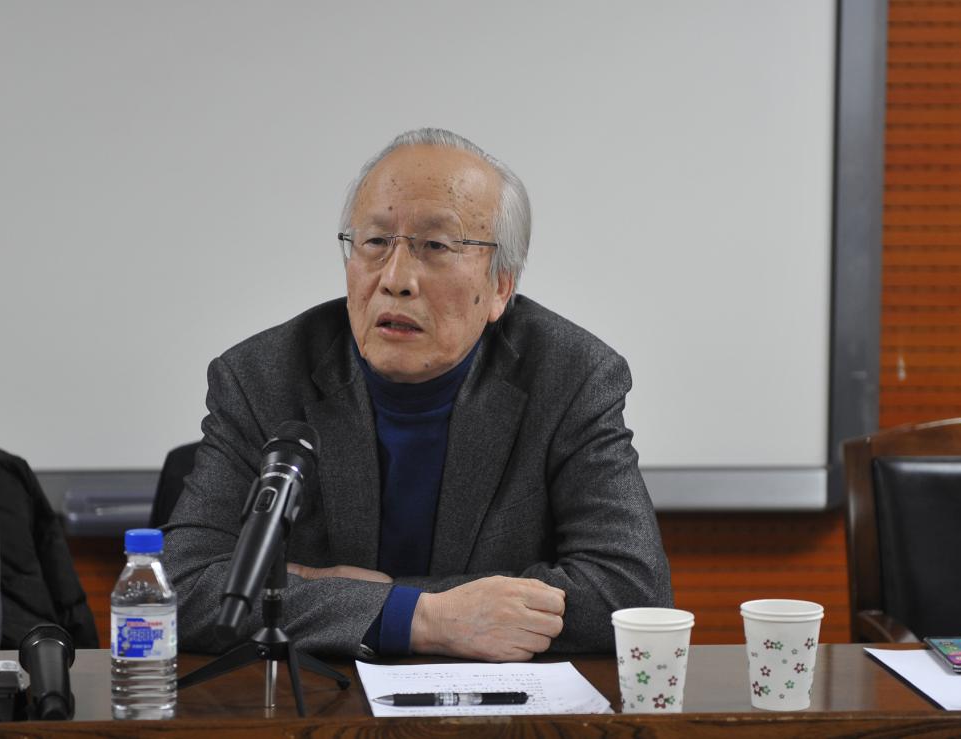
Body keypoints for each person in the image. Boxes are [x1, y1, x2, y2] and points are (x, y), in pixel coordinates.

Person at [163, 128, 671, 661]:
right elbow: (181, 587)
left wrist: (361, 594)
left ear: (500, 286)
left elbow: (632, 594)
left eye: (436, 246)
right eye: (375, 242)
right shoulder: (262, 377)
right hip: (317, 698)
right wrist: (422, 617)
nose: (396, 279)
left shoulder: (570, 376)